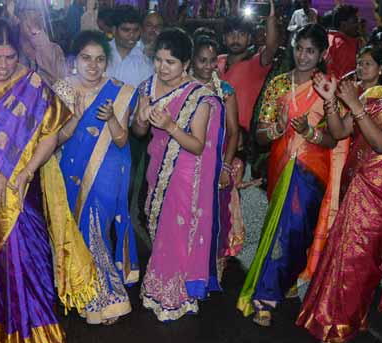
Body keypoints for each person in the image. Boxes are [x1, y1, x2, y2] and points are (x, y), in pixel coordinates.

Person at [0, 18, 95, 343]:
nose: (3, 65)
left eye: (10, 57)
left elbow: (50, 132)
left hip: (21, 183)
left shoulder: (30, 81)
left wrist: (28, 170)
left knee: (29, 250)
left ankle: (35, 324)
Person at [297, 37, 382, 343]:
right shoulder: (374, 94)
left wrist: (357, 106)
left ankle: (342, 324)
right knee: (341, 251)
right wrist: (332, 101)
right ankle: (328, 315)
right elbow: (340, 132)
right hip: (358, 185)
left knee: (361, 260)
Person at [239, 25, 340, 326]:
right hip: (281, 167)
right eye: (299, 48)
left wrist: (311, 133)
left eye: (311, 51)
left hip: (313, 171)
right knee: (279, 232)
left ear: (322, 54)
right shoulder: (279, 85)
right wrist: (277, 130)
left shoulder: (327, 87)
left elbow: (334, 139)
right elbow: (259, 137)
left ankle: (286, 278)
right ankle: (266, 296)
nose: (303, 56)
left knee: (298, 234)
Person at [133, 28, 223, 321]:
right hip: (155, 167)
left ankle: (175, 294)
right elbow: (140, 133)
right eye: (158, 60)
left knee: (176, 232)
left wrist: (171, 126)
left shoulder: (199, 96)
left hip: (184, 173)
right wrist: (141, 117)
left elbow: (197, 145)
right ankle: (157, 286)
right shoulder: (147, 87)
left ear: (185, 63)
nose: (162, 67)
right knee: (157, 228)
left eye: (169, 61)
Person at [54, 31, 138, 325]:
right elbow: (56, 139)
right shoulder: (62, 89)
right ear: (75, 60)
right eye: (86, 58)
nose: (93, 66)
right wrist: (75, 118)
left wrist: (112, 117)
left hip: (106, 172)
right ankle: (83, 291)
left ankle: (107, 296)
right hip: (71, 172)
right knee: (76, 232)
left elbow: (121, 140)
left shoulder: (119, 91)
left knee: (96, 230)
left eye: (100, 59)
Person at [191, 34, 243, 273]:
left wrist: (225, 166)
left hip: (216, 162)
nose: (207, 66)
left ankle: (212, 266)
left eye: (212, 60)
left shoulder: (225, 91)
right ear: (192, 60)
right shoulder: (184, 88)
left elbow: (233, 132)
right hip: (187, 161)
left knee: (215, 216)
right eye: (202, 60)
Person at [217, 4, 279, 136]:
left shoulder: (256, 62)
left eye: (241, 34)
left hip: (243, 137)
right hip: (213, 133)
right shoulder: (216, 62)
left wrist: (271, 18)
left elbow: (271, 47)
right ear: (223, 38)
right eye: (231, 34)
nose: (235, 39)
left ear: (250, 38)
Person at [17, 5, 67, 85]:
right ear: (19, 18)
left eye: (39, 15)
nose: (34, 19)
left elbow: (65, 90)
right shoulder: (12, 51)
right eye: (27, 16)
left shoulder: (54, 50)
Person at [106, 6, 151, 88]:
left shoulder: (144, 60)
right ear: (114, 30)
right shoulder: (101, 53)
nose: (132, 35)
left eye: (136, 30)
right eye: (126, 30)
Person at [325, 5, 359, 80]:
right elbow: (345, 78)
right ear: (343, 24)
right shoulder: (343, 45)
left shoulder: (329, 38)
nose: (357, 25)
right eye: (355, 21)